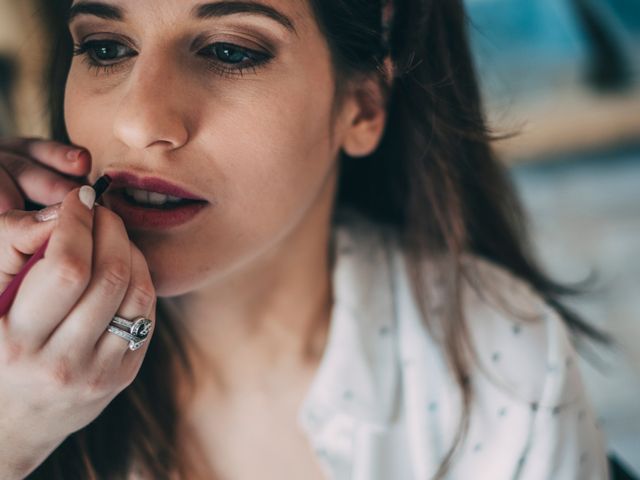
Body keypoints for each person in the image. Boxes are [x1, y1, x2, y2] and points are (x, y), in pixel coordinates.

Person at [0, 0, 609, 478]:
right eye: (106, 47)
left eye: (230, 51)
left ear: (362, 107)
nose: (139, 121)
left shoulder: (502, 369)